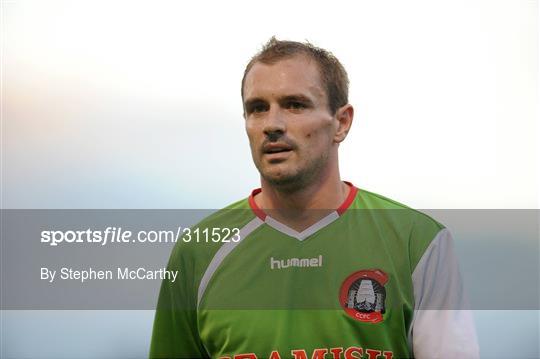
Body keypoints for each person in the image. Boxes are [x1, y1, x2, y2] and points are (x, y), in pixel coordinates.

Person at [150, 37, 480, 359]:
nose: (273, 124)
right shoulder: (199, 251)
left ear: (341, 122)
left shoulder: (417, 243)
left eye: (295, 105)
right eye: (257, 109)